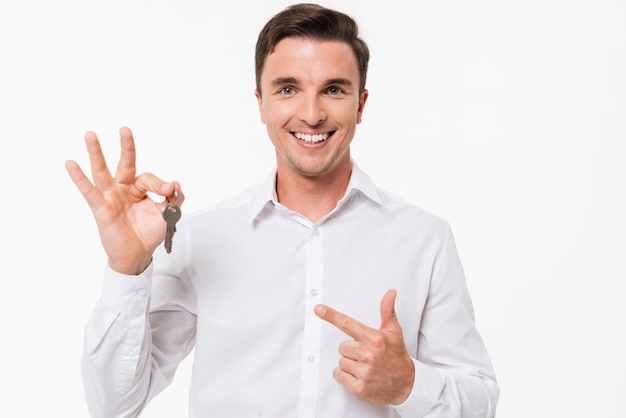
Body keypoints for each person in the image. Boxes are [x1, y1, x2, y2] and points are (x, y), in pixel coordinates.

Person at [65, 3, 499, 417]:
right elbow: (113, 406)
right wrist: (126, 268)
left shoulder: (425, 240)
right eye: (288, 89)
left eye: (333, 89)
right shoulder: (202, 237)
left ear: (361, 105)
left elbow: (482, 401)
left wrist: (408, 386)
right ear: (261, 103)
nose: (311, 114)